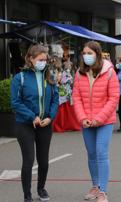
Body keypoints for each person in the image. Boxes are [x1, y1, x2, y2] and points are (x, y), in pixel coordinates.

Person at [10, 44, 59, 202]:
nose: (43, 62)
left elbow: (55, 99)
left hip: (45, 124)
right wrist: (32, 116)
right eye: (40, 59)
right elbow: (15, 102)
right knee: (29, 159)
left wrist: (50, 117)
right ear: (30, 59)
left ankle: (41, 189)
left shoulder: (50, 76)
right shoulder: (20, 78)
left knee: (43, 160)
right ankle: (27, 195)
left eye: (45, 59)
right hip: (25, 124)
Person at [73, 41, 120, 202]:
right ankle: (95, 186)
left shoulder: (109, 72)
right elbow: (76, 97)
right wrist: (83, 118)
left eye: (90, 53)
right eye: (84, 53)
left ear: (98, 55)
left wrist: (98, 119)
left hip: (104, 121)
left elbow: (113, 98)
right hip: (86, 121)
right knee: (91, 154)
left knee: (101, 153)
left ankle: (103, 191)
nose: (86, 56)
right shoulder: (79, 73)